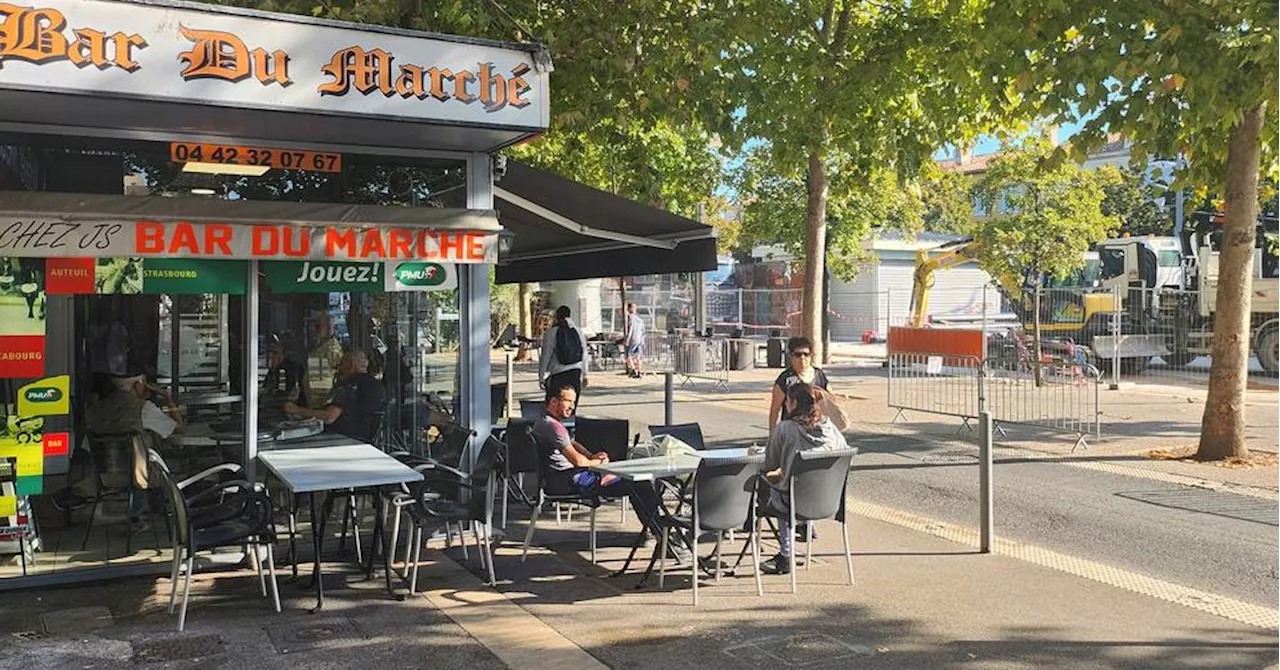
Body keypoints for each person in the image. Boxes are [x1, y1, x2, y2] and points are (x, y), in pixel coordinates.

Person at [531, 383, 684, 560]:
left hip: (561, 478)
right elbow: (578, 461)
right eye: (568, 401)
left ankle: (658, 533)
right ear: (553, 401)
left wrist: (591, 454)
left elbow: (572, 443)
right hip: (569, 481)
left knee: (634, 483)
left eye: (574, 401)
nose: (572, 406)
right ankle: (661, 537)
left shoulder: (545, 422)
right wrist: (596, 462)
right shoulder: (553, 427)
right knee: (637, 484)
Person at [55, 372, 185, 526]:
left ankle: (141, 513)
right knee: (153, 457)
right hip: (138, 478)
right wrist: (168, 398)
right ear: (138, 384)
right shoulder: (143, 409)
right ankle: (146, 513)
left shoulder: (97, 408)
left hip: (99, 478)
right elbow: (179, 429)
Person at [759, 382, 849, 575]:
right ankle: (805, 530)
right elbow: (844, 450)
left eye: (788, 401)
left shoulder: (785, 429)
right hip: (829, 501)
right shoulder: (830, 429)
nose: (785, 405)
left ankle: (785, 554)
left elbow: (769, 463)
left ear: (795, 403)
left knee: (773, 487)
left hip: (794, 501)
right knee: (788, 487)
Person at [285, 350, 386, 442]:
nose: (338, 369)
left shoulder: (348, 384)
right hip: (365, 442)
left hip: (342, 439)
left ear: (351, 365)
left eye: (341, 365)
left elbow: (330, 416)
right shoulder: (378, 386)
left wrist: (296, 410)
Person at [768, 336, 831, 430]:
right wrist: (772, 433)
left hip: (817, 428)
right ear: (791, 356)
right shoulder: (785, 379)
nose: (802, 358)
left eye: (806, 354)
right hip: (791, 430)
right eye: (798, 354)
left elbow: (831, 399)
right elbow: (775, 409)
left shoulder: (819, 375)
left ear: (811, 356)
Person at [538, 305, 589, 398]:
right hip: (575, 373)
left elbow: (546, 356)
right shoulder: (578, 331)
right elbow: (584, 353)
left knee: (554, 407)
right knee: (570, 408)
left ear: (557, 316)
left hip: (558, 374)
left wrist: (541, 377)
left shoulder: (551, 332)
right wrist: (585, 374)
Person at [305, 311, 345, 410]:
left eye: (318, 326)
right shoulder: (320, 346)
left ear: (329, 327)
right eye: (315, 326)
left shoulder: (333, 349)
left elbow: (340, 375)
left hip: (323, 403)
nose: (315, 330)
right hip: (313, 402)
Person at [263, 336, 306, 406]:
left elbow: (286, 393)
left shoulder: (290, 369)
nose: (270, 355)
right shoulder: (272, 370)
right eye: (269, 351)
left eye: (274, 352)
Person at [622, 302, 645, 379]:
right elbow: (643, 330)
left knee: (629, 355)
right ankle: (640, 371)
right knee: (638, 356)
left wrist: (627, 340)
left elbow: (631, 330)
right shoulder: (640, 319)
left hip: (633, 339)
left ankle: (634, 370)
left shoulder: (631, 318)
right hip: (639, 339)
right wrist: (642, 340)